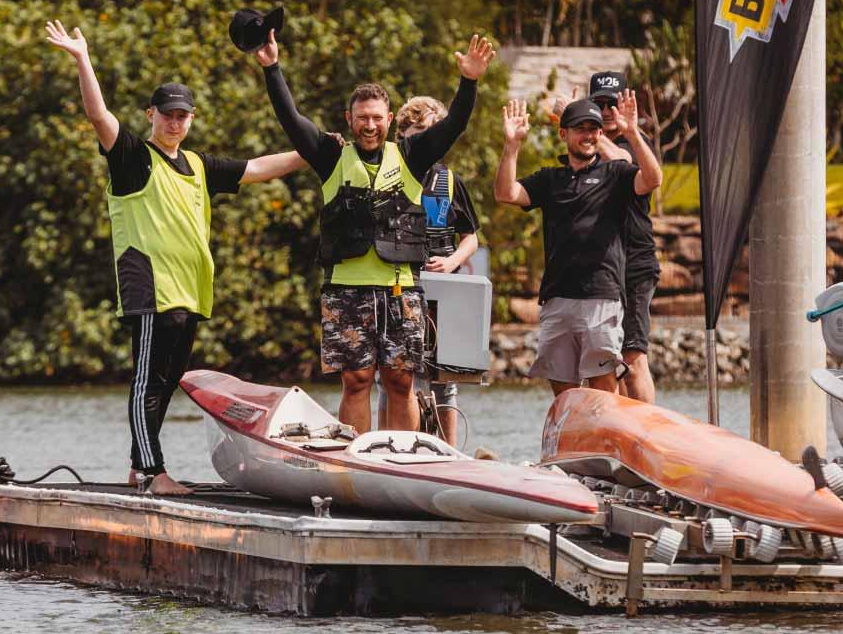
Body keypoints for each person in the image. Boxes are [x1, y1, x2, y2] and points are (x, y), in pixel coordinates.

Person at [45, 19, 306, 495]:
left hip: (189, 291)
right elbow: (98, 115)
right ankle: (151, 472)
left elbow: (261, 167)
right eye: (167, 114)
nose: (174, 122)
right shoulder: (132, 157)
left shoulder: (199, 165)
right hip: (149, 285)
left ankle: (138, 466)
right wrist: (83, 59)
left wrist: (313, 150)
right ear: (151, 114)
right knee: (146, 381)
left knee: (166, 384)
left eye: (182, 115)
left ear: (191, 119)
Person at [253, 31, 495, 432]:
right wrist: (271, 68)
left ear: (389, 119)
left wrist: (468, 81)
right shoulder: (330, 156)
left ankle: (400, 459)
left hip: (400, 289)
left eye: (377, 118)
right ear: (349, 120)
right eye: (362, 118)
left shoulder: (413, 156)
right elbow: (291, 120)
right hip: (346, 290)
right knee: (357, 380)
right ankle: (356, 459)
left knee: (400, 381)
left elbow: (453, 126)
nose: (369, 126)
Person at [494, 94, 662, 396]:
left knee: (603, 393)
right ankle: (573, 444)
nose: (589, 135)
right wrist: (512, 145)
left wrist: (632, 133)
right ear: (564, 133)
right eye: (581, 128)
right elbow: (506, 193)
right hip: (557, 299)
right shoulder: (550, 178)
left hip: (602, 298)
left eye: (594, 129)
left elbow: (652, 179)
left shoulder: (616, 173)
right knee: (566, 396)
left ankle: (606, 443)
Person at [393, 96, 483, 444]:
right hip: (399, 285)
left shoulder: (449, 180)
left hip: (444, 286)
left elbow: (471, 238)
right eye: (418, 133)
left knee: (446, 378)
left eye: (433, 133)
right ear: (402, 134)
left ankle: (447, 450)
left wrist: (452, 261)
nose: (427, 141)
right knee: (398, 375)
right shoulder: (388, 175)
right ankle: (399, 444)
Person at [588, 71, 659, 403]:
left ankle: (646, 437)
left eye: (612, 104)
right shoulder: (585, 148)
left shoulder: (634, 141)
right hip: (599, 267)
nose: (606, 112)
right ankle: (608, 436)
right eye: (597, 105)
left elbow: (623, 163)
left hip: (634, 263)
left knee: (633, 357)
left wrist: (577, 120)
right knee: (600, 362)